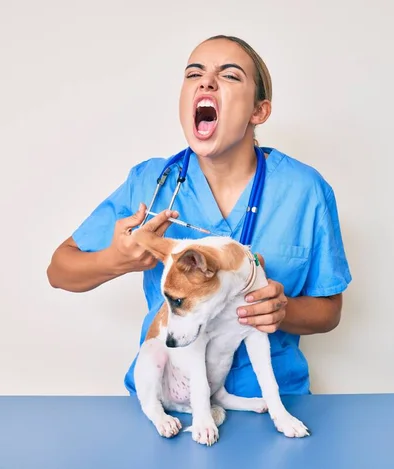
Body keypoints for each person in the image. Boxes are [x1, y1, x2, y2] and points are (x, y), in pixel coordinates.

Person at [46, 35, 352, 398]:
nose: (206, 82)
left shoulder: (305, 190)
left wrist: (283, 312)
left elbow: (329, 312)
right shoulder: (150, 184)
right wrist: (115, 260)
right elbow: (58, 271)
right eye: (194, 74)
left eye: (230, 75)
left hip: (269, 405)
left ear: (259, 112)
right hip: (171, 397)